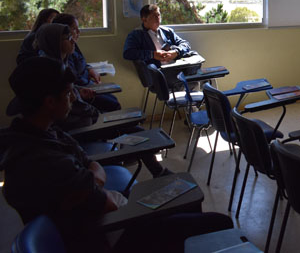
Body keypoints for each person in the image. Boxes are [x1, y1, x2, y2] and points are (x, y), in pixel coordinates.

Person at [0, 56, 233, 253]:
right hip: (107, 236)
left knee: (185, 201)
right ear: (50, 102)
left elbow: (88, 163)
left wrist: (92, 176)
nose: (73, 98)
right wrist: (94, 175)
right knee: (219, 222)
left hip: (99, 223)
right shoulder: (43, 159)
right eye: (69, 93)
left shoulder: (38, 134)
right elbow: (108, 203)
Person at [28, 23, 171, 178]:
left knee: (130, 124)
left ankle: (154, 169)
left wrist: (78, 90)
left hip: (81, 120)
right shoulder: (52, 72)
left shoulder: (59, 63)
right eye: (68, 38)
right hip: (79, 127)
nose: (73, 40)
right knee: (138, 132)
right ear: (55, 42)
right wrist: (97, 114)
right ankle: (158, 172)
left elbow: (71, 94)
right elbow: (73, 106)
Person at [53, 13, 121, 112]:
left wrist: (89, 68)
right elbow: (74, 80)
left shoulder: (72, 46)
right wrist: (84, 88)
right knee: (113, 104)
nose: (78, 32)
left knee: (113, 100)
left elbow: (82, 61)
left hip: (87, 84)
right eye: (74, 29)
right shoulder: (63, 55)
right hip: (83, 89)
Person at [123, 4, 192, 66]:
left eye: (158, 15)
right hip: (155, 70)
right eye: (154, 16)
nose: (157, 18)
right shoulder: (136, 34)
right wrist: (153, 54)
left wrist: (176, 52)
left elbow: (185, 44)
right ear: (144, 19)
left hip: (174, 66)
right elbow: (128, 53)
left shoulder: (167, 31)